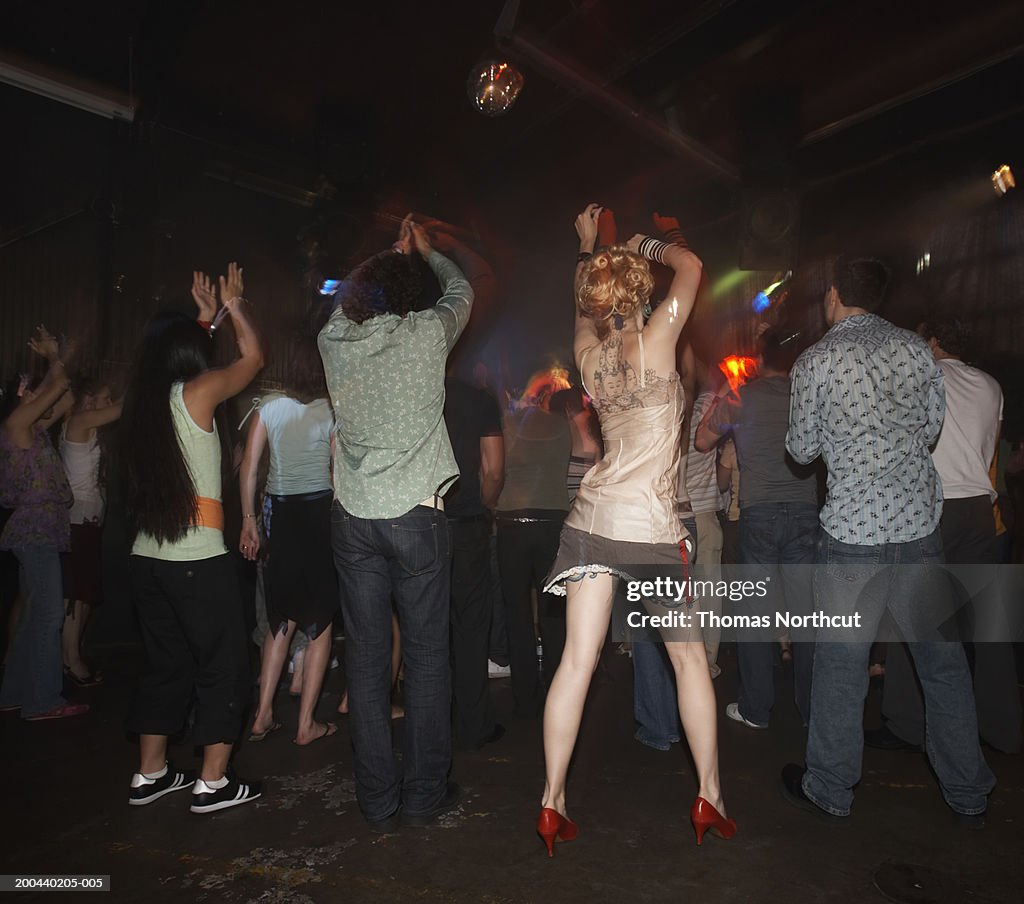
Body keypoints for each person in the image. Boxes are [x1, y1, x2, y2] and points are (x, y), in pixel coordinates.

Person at [538, 204, 734, 856]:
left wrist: (589, 250)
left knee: (576, 661)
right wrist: (638, 242)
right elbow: (693, 264)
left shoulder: (588, 355)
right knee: (686, 659)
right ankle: (709, 793)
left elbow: (579, 312)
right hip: (648, 528)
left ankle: (552, 799)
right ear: (638, 292)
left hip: (591, 519)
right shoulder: (659, 338)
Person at [781, 255, 995, 826]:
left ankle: (830, 787)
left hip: (851, 533)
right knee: (943, 666)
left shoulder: (816, 361)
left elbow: (801, 451)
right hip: (918, 529)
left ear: (833, 297)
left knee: (841, 667)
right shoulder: (915, 352)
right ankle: (968, 789)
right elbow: (929, 430)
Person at [318, 216, 473, 832]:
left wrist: (382, 255)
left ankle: (377, 800)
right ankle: (425, 792)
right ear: (411, 296)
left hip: (353, 516)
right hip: (416, 516)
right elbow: (462, 292)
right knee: (430, 659)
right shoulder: (428, 335)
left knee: (365, 662)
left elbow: (340, 301)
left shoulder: (335, 342)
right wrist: (427, 252)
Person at [119, 263, 264, 813]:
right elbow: (252, 360)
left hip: (146, 559)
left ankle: (150, 774)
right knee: (224, 665)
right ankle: (213, 782)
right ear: (188, 356)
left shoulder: (141, 406)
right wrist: (237, 308)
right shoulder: (196, 394)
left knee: (164, 665)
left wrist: (205, 321)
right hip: (197, 561)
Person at [870, 320, 1021, 754]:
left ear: (932, 342)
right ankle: (1002, 729)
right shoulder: (991, 385)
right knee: (989, 625)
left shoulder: (923, 374)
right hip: (979, 511)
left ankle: (905, 722)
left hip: (932, 506)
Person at [696, 326, 819, 729]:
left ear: (761, 359)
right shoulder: (809, 396)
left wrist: (730, 391)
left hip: (759, 511)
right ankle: (810, 708)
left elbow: (700, 441)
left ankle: (756, 708)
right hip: (805, 511)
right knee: (804, 617)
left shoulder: (742, 398)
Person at [239, 334, 338, 746]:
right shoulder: (331, 409)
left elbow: (249, 466)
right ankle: (306, 725)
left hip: (279, 514)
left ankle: (262, 715)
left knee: (282, 616)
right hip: (317, 516)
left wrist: (248, 520)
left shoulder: (268, 407)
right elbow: (337, 471)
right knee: (321, 619)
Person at [0, 327, 83, 720]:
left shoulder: (33, 431)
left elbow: (64, 395)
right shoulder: (18, 424)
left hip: (40, 532)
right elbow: (61, 385)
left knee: (36, 614)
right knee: (49, 613)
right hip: (34, 532)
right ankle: (43, 701)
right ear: (22, 394)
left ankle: (14, 694)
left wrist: (63, 354)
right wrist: (54, 358)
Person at [61, 377, 122, 686]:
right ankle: (70, 661)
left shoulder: (89, 425)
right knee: (76, 595)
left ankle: (72, 655)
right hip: (77, 518)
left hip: (86, 518)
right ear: (89, 399)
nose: (108, 403)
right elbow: (122, 410)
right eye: (104, 397)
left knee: (84, 594)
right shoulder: (80, 420)